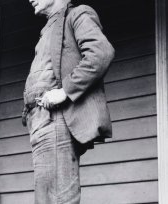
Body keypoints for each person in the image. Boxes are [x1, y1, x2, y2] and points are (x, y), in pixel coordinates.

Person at [22, 0, 115, 203]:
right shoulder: (48, 28)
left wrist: (65, 91)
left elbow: (100, 53)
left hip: (57, 117)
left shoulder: (77, 14)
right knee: (46, 198)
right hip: (39, 119)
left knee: (57, 198)